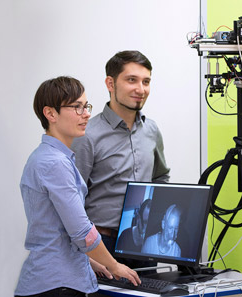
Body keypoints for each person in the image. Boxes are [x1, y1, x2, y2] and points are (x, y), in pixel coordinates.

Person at [15, 76, 140, 297]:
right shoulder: (55, 163)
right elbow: (82, 231)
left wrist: (90, 261)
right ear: (50, 114)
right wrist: (114, 265)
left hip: (54, 281)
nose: (86, 114)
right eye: (77, 107)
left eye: (86, 106)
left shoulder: (47, 157)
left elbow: (55, 229)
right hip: (57, 286)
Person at [71, 50, 170, 268]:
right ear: (110, 83)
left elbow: (161, 177)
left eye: (146, 82)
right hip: (101, 243)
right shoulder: (87, 134)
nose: (140, 89)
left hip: (142, 242)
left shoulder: (151, 130)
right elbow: (72, 196)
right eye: (131, 80)